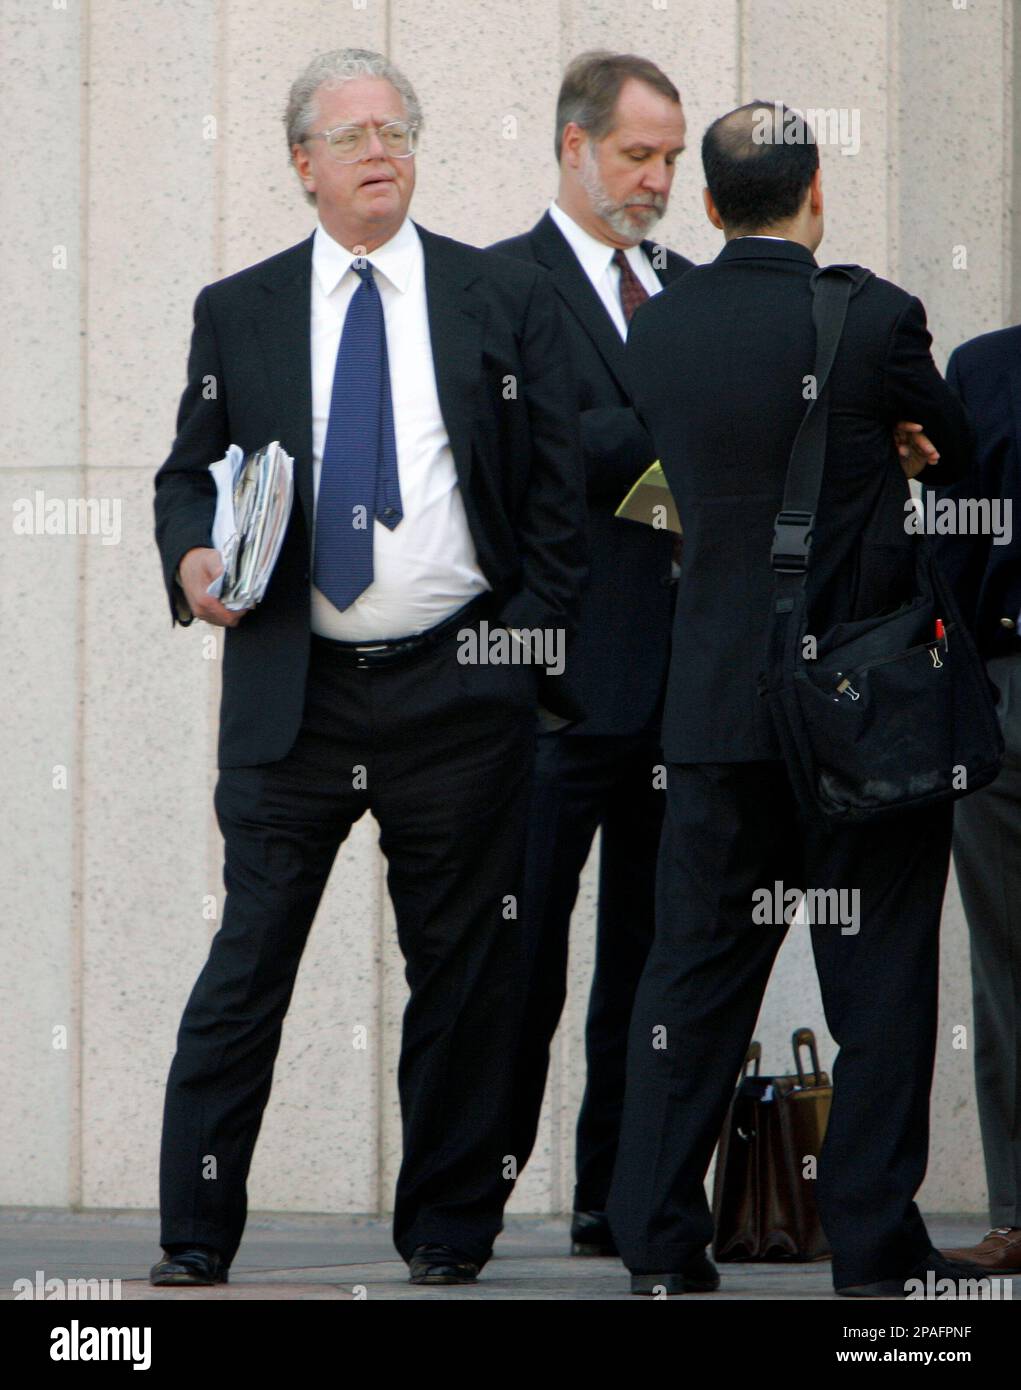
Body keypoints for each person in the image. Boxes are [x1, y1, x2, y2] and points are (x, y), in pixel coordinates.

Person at [149, 47, 586, 1289]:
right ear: (303, 164)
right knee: (249, 964)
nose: (379, 149)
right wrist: (190, 558)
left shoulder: (498, 296)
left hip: (460, 688)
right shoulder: (238, 308)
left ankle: (447, 1236)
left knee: (463, 978)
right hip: (297, 691)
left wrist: (523, 652)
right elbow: (190, 470)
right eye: (349, 135)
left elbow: (555, 490)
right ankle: (194, 1235)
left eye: (395, 128)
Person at [605, 100, 981, 1297]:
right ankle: (870, 1248)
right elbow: (959, 444)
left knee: (691, 979)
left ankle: (659, 1245)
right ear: (816, 191)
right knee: (877, 984)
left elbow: (649, 486)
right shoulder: (871, 317)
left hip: (713, 715)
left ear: (707, 206)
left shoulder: (655, 330)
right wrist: (902, 447)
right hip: (860, 716)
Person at [488, 51, 692, 1256]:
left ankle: (618, 1196)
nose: (657, 179)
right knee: (517, 967)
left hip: (680, 696)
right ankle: (464, 1203)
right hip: (553, 693)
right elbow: (551, 459)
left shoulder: (689, 287)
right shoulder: (498, 288)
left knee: (651, 974)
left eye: (670, 158)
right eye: (636, 155)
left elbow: (641, 446)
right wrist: (689, 478)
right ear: (572, 146)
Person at [929, 327, 1021, 1276]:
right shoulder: (985, 367)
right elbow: (948, 542)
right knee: (1005, 968)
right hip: (1003, 688)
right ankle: (1017, 1208)